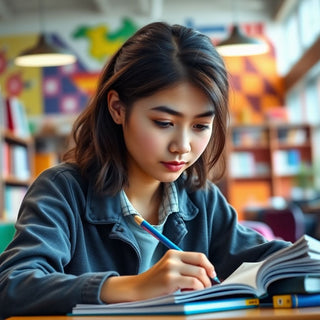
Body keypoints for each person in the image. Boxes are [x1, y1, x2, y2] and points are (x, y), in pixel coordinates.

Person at [0, 21, 289, 318]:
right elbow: (11, 286)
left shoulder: (201, 199)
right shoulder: (62, 191)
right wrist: (131, 287)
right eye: (164, 123)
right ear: (117, 108)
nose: (182, 146)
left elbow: (269, 261)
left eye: (201, 126)